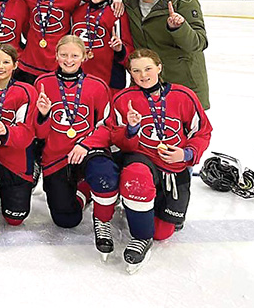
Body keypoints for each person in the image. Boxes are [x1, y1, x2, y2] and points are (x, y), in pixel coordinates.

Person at [73, 48, 212, 273]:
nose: (143, 75)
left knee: (163, 233)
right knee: (135, 176)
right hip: (141, 159)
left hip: (173, 169)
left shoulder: (183, 95)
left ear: (159, 67)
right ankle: (140, 237)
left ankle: (143, 207)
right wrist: (132, 127)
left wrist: (186, 154)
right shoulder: (124, 99)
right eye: (136, 71)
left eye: (148, 69)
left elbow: (203, 132)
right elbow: (115, 137)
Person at [33, 36, 113, 237]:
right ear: (56, 55)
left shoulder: (97, 85)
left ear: (84, 57)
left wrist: (86, 145)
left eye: (75, 55)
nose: (69, 60)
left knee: (105, 175)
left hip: (87, 151)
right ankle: (83, 192)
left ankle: (94, 188)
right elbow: (37, 131)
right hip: (56, 157)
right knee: (66, 220)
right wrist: (43, 114)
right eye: (64, 55)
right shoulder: (42, 83)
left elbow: (107, 126)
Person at [123, 0, 210, 109]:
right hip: (146, 83)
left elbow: (199, 43)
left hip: (182, 82)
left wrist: (179, 27)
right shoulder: (128, 4)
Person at [0, 44, 38, 226]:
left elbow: (26, 133)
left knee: (14, 219)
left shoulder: (25, 91)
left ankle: (30, 172)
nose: (0, 67)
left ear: (15, 65)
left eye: (6, 62)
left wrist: (6, 131)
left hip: (14, 159)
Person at [71, 0, 133, 93]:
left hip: (109, 78)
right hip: (79, 76)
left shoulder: (117, 12)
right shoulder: (77, 10)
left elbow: (128, 47)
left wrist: (120, 50)